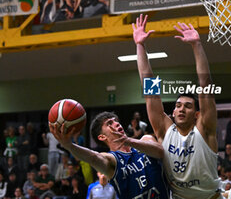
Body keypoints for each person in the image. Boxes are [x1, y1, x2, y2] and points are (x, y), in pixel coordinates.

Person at [133, 14, 222, 198]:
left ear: (197, 114)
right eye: (178, 105)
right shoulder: (165, 130)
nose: (181, 109)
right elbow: (149, 90)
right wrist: (140, 46)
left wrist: (197, 45)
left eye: (188, 106)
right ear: (172, 111)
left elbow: (205, 82)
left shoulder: (205, 129)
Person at [50, 111, 169, 199]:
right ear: (102, 137)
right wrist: (69, 146)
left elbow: (160, 152)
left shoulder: (145, 139)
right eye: (110, 123)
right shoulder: (112, 160)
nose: (117, 124)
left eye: (117, 121)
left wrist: (128, 141)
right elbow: (93, 157)